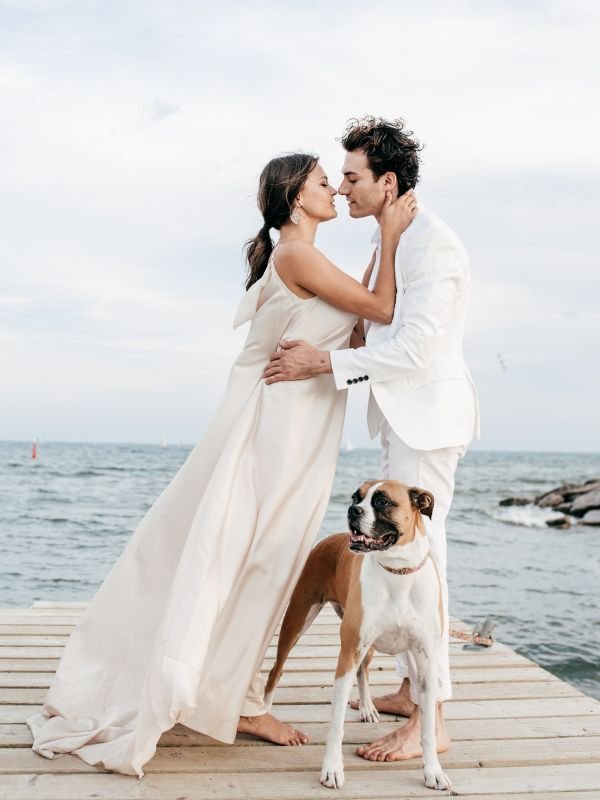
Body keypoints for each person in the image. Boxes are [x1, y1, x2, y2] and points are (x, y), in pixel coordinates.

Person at [26, 152, 417, 777]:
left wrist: (378, 253)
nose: (330, 189)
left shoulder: (303, 256)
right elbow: (381, 308)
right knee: (265, 560)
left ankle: (235, 693)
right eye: (322, 181)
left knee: (267, 561)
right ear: (295, 199)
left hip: (305, 422)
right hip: (284, 428)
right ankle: (242, 701)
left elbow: (358, 325)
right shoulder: (295, 254)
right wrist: (392, 236)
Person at [263, 117, 480, 763]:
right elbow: (380, 322)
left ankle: (429, 722)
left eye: (353, 177)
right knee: (413, 561)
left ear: (387, 182)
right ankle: (411, 689)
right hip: (403, 419)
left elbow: (416, 346)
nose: (346, 188)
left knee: (426, 564)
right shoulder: (397, 238)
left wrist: (323, 364)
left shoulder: (432, 245)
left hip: (428, 419)